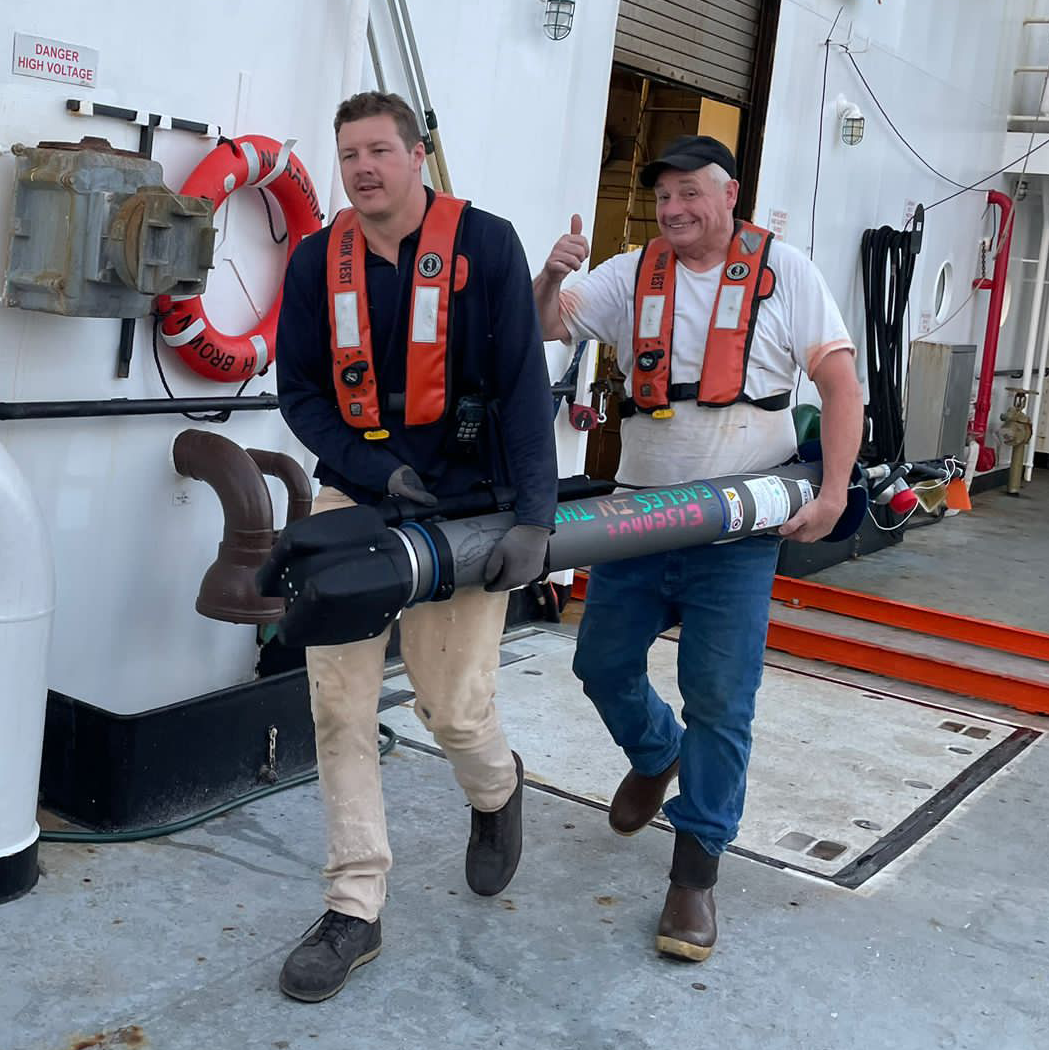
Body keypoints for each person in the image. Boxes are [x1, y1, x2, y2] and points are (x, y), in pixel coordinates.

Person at [533, 135, 863, 962]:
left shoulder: (787, 273)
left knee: (720, 697)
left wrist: (830, 492)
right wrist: (551, 275)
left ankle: (694, 873)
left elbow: (839, 380)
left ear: (729, 194)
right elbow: (549, 326)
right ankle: (655, 752)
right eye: (663, 197)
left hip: (741, 527)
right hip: (640, 515)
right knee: (600, 664)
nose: (674, 210)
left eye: (690, 194)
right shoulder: (629, 271)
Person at [275, 91, 557, 1002]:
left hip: (469, 506)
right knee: (340, 707)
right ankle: (354, 905)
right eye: (348, 153)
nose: (362, 168)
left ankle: (494, 790)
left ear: (416, 157)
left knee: (453, 710)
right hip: (356, 501)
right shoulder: (318, 260)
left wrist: (535, 520)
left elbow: (521, 384)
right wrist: (367, 464)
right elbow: (302, 393)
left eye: (378, 152)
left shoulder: (487, 244)